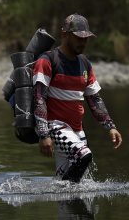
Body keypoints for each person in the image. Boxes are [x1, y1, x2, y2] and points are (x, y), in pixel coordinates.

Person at [33, 14, 123, 182]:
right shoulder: (47, 61)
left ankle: (64, 196)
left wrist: (111, 126)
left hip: (77, 130)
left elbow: (94, 99)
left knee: (69, 181)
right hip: (55, 127)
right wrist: (44, 135)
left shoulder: (85, 64)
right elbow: (39, 98)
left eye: (85, 38)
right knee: (84, 155)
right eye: (78, 38)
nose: (83, 42)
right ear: (64, 34)